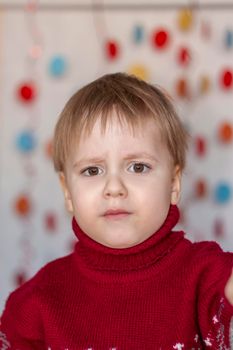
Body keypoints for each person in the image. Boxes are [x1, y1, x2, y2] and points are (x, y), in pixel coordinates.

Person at [1, 72, 233, 349]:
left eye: (138, 167)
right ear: (67, 191)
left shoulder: (207, 276)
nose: (114, 187)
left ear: (173, 183)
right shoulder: (33, 305)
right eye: (92, 170)